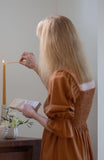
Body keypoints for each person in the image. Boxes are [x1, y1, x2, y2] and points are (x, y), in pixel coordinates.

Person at [18, 15, 95, 160]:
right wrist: (36, 67)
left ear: (51, 44)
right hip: (80, 143)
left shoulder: (60, 77)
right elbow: (63, 99)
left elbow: (61, 128)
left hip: (62, 148)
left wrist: (32, 114)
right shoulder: (83, 73)